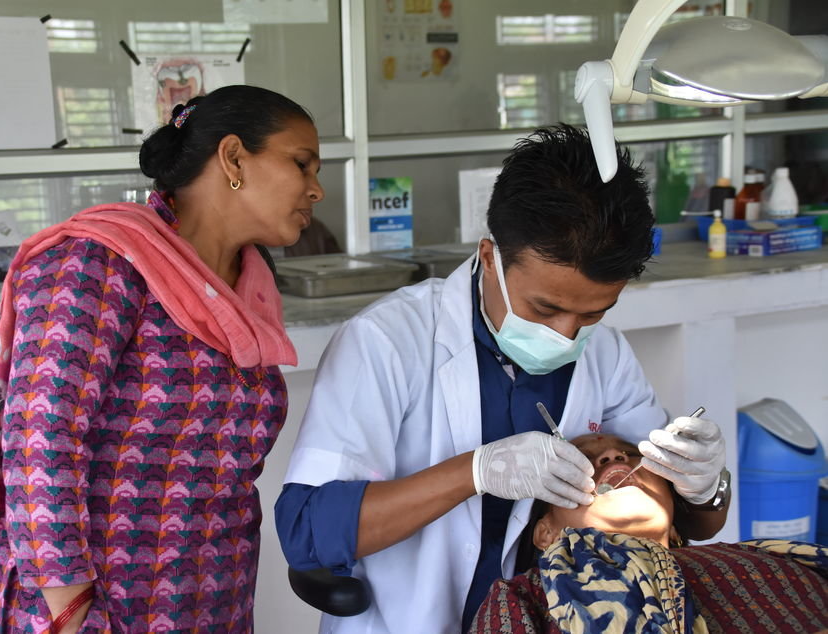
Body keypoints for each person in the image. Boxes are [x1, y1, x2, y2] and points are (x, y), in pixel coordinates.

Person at [274, 124, 729, 633]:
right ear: (490, 257)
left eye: (593, 314)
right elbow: (307, 530)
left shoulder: (605, 353)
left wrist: (705, 484)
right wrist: (474, 472)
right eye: (545, 308)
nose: (566, 335)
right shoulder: (385, 342)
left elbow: (685, 522)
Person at [0, 84, 324, 633]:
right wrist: (71, 611)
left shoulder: (248, 284)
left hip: (208, 600)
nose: (316, 190)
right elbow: (42, 444)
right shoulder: (96, 263)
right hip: (88, 606)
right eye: (301, 164)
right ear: (232, 157)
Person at [470, 433, 828, 633]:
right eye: (578, 461)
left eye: (629, 453)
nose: (613, 456)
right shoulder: (522, 599)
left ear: (674, 526)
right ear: (545, 534)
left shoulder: (772, 557)